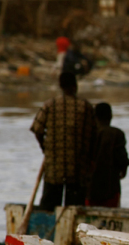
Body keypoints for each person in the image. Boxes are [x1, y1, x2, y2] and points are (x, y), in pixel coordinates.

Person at [30, 71, 99, 209]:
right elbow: (94, 136)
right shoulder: (85, 106)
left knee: (49, 206)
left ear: (60, 86)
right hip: (78, 169)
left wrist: (45, 148)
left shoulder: (49, 105)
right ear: (75, 86)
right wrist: (91, 159)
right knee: (73, 207)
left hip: (54, 168)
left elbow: (37, 129)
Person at [86, 102, 129, 207]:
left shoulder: (88, 133)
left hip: (89, 186)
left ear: (95, 116)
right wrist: (124, 170)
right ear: (110, 116)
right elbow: (122, 158)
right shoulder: (117, 134)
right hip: (111, 185)